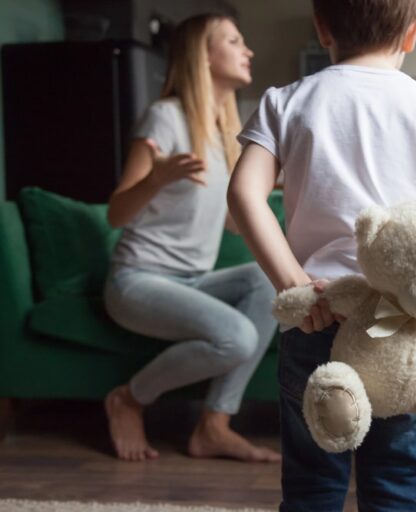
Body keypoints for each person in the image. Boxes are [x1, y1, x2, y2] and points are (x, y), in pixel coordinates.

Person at [227, 0, 416, 509]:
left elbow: (244, 194)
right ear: (414, 34)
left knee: (313, 482)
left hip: (321, 312)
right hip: (407, 323)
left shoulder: (285, 101)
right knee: (396, 482)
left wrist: (293, 282)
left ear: (321, 26)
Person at [102, 13, 281, 464]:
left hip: (192, 279)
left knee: (271, 282)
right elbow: (116, 214)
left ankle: (213, 426)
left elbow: (234, 225)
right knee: (237, 337)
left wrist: (271, 190)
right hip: (138, 282)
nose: (249, 51)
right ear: (203, 54)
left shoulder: (227, 137)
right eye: (235, 41)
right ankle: (129, 399)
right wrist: (155, 180)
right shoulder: (164, 119)